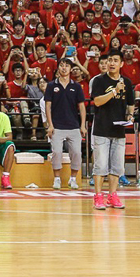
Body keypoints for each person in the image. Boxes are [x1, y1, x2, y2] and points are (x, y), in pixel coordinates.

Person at [90, 50, 134, 210]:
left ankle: (112, 196)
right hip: (102, 128)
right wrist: (114, 90)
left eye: (115, 60)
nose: (112, 63)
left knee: (117, 166)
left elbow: (130, 104)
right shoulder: (99, 81)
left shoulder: (127, 83)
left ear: (122, 63)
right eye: (110, 60)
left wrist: (130, 116)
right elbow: (97, 102)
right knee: (100, 165)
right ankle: (98, 196)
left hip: (119, 130)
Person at [44, 58, 86, 190]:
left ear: (70, 69)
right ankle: (57, 178)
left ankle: (73, 178)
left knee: (77, 153)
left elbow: (82, 107)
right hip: (57, 126)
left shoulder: (77, 86)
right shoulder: (51, 85)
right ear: (58, 68)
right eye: (61, 65)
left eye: (67, 66)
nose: (64, 68)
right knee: (56, 152)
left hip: (73, 125)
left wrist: (83, 125)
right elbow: (47, 106)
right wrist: (50, 125)